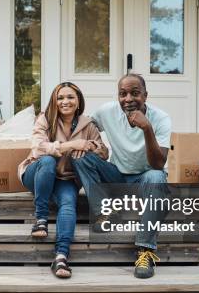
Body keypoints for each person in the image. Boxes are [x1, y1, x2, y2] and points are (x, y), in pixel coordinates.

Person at [71, 73, 171, 279]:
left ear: (145, 95)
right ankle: (105, 212)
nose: (128, 99)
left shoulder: (160, 118)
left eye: (135, 93)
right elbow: (83, 125)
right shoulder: (107, 111)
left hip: (144, 178)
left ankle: (145, 250)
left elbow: (158, 163)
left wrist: (147, 128)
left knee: (157, 177)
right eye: (122, 94)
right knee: (79, 156)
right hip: (116, 175)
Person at [18, 82, 108, 279]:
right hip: (37, 173)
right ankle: (41, 218)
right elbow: (38, 147)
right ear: (54, 101)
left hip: (65, 179)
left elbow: (104, 153)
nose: (65, 101)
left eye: (70, 97)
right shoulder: (46, 118)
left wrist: (89, 145)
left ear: (78, 101)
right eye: (60, 98)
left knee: (69, 204)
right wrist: (71, 145)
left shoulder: (88, 124)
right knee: (48, 161)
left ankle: (61, 256)